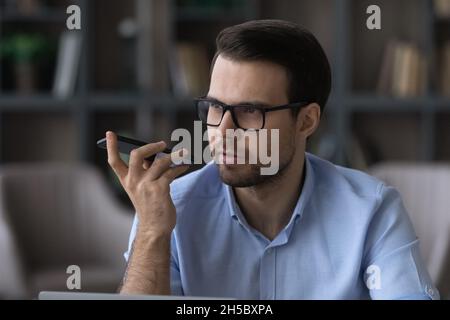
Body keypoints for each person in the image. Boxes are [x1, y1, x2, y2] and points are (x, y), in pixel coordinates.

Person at [106, 19, 438, 299]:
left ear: (306, 121)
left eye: (250, 111)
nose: (222, 130)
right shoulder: (169, 209)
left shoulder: (371, 210)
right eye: (215, 107)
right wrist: (151, 231)